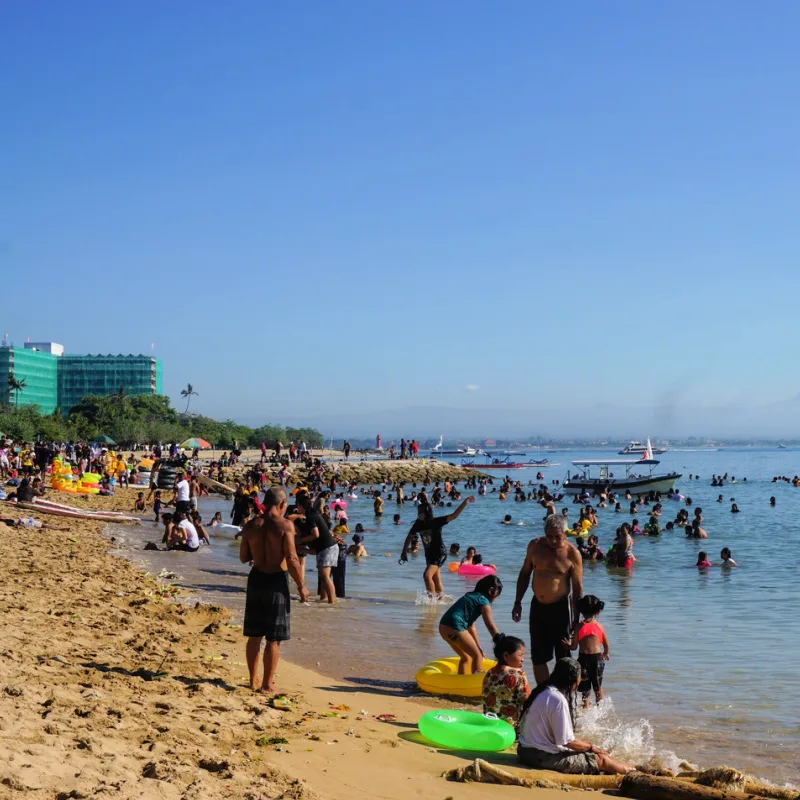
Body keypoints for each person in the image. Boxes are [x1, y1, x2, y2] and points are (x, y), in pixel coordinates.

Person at [239, 487, 309, 692]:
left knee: (254, 635)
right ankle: (267, 685)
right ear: (282, 504)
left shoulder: (251, 526)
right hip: (276, 581)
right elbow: (292, 559)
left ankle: (253, 681)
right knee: (273, 636)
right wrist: (302, 586)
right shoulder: (285, 525)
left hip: (256, 579)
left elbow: (244, 557)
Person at [517, 658, 633, 775]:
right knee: (602, 760)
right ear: (572, 680)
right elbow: (566, 742)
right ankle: (637, 773)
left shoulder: (544, 690)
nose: (580, 680)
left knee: (594, 752)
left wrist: (588, 747)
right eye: (579, 676)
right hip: (539, 756)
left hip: (525, 750)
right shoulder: (558, 699)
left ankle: (637, 767)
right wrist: (592, 747)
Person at [512, 514, 583, 684]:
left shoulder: (572, 554)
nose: (552, 541)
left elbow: (577, 589)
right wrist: (517, 602)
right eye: (549, 536)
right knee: (538, 656)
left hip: (561, 608)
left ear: (566, 534)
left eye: (557, 537)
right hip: (538, 606)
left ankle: (564, 697)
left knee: (563, 656)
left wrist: (576, 620)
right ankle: (544, 694)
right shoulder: (535, 546)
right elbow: (525, 573)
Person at [400, 497, 475, 598]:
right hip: (429, 554)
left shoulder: (436, 521)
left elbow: (454, 515)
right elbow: (409, 537)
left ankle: (431, 602)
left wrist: (465, 502)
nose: (419, 514)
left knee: (427, 576)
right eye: (418, 512)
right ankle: (440, 601)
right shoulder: (418, 524)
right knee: (435, 579)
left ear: (427, 512)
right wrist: (404, 552)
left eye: (421, 512)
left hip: (439, 553)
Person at [439, 575, 503, 674]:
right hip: (455, 627)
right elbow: (490, 625)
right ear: (491, 590)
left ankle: (461, 684)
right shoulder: (484, 602)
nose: (495, 599)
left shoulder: (471, 597)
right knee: (477, 656)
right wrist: (500, 642)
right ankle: (477, 681)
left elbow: (471, 628)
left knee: (466, 658)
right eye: (497, 595)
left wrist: (478, 647)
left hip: (443, 627)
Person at [295, 491, 338, 604]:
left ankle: (332, 602)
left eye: (297, 506)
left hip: (328, 548)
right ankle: (323, 598)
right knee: (323, 576)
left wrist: (300, 540)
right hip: (327, 548)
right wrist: (302, 549)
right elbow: (315, 550)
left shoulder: (310, 517)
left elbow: (316, 534)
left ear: (301, 506)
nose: (296, 508)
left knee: (325, 576)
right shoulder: (312, 515)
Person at [566, 595, 609, 709]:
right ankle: (601, 708)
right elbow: (606, 644)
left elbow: (574, 647)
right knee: (598, 685)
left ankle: (586, 708)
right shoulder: (600, 626)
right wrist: (606, 653)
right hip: (597, 659)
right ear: (598, 611)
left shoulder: (579, 627)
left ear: (581, 611)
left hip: (583, 659)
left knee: (585, 687)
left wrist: (567, 646)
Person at [482, 635, 531, 728]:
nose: (523, 659)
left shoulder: (490, 672)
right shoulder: (518, 674)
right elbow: (526, 701)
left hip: (489, 723)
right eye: (520, 655)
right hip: (511, 727)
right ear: (506, 656)